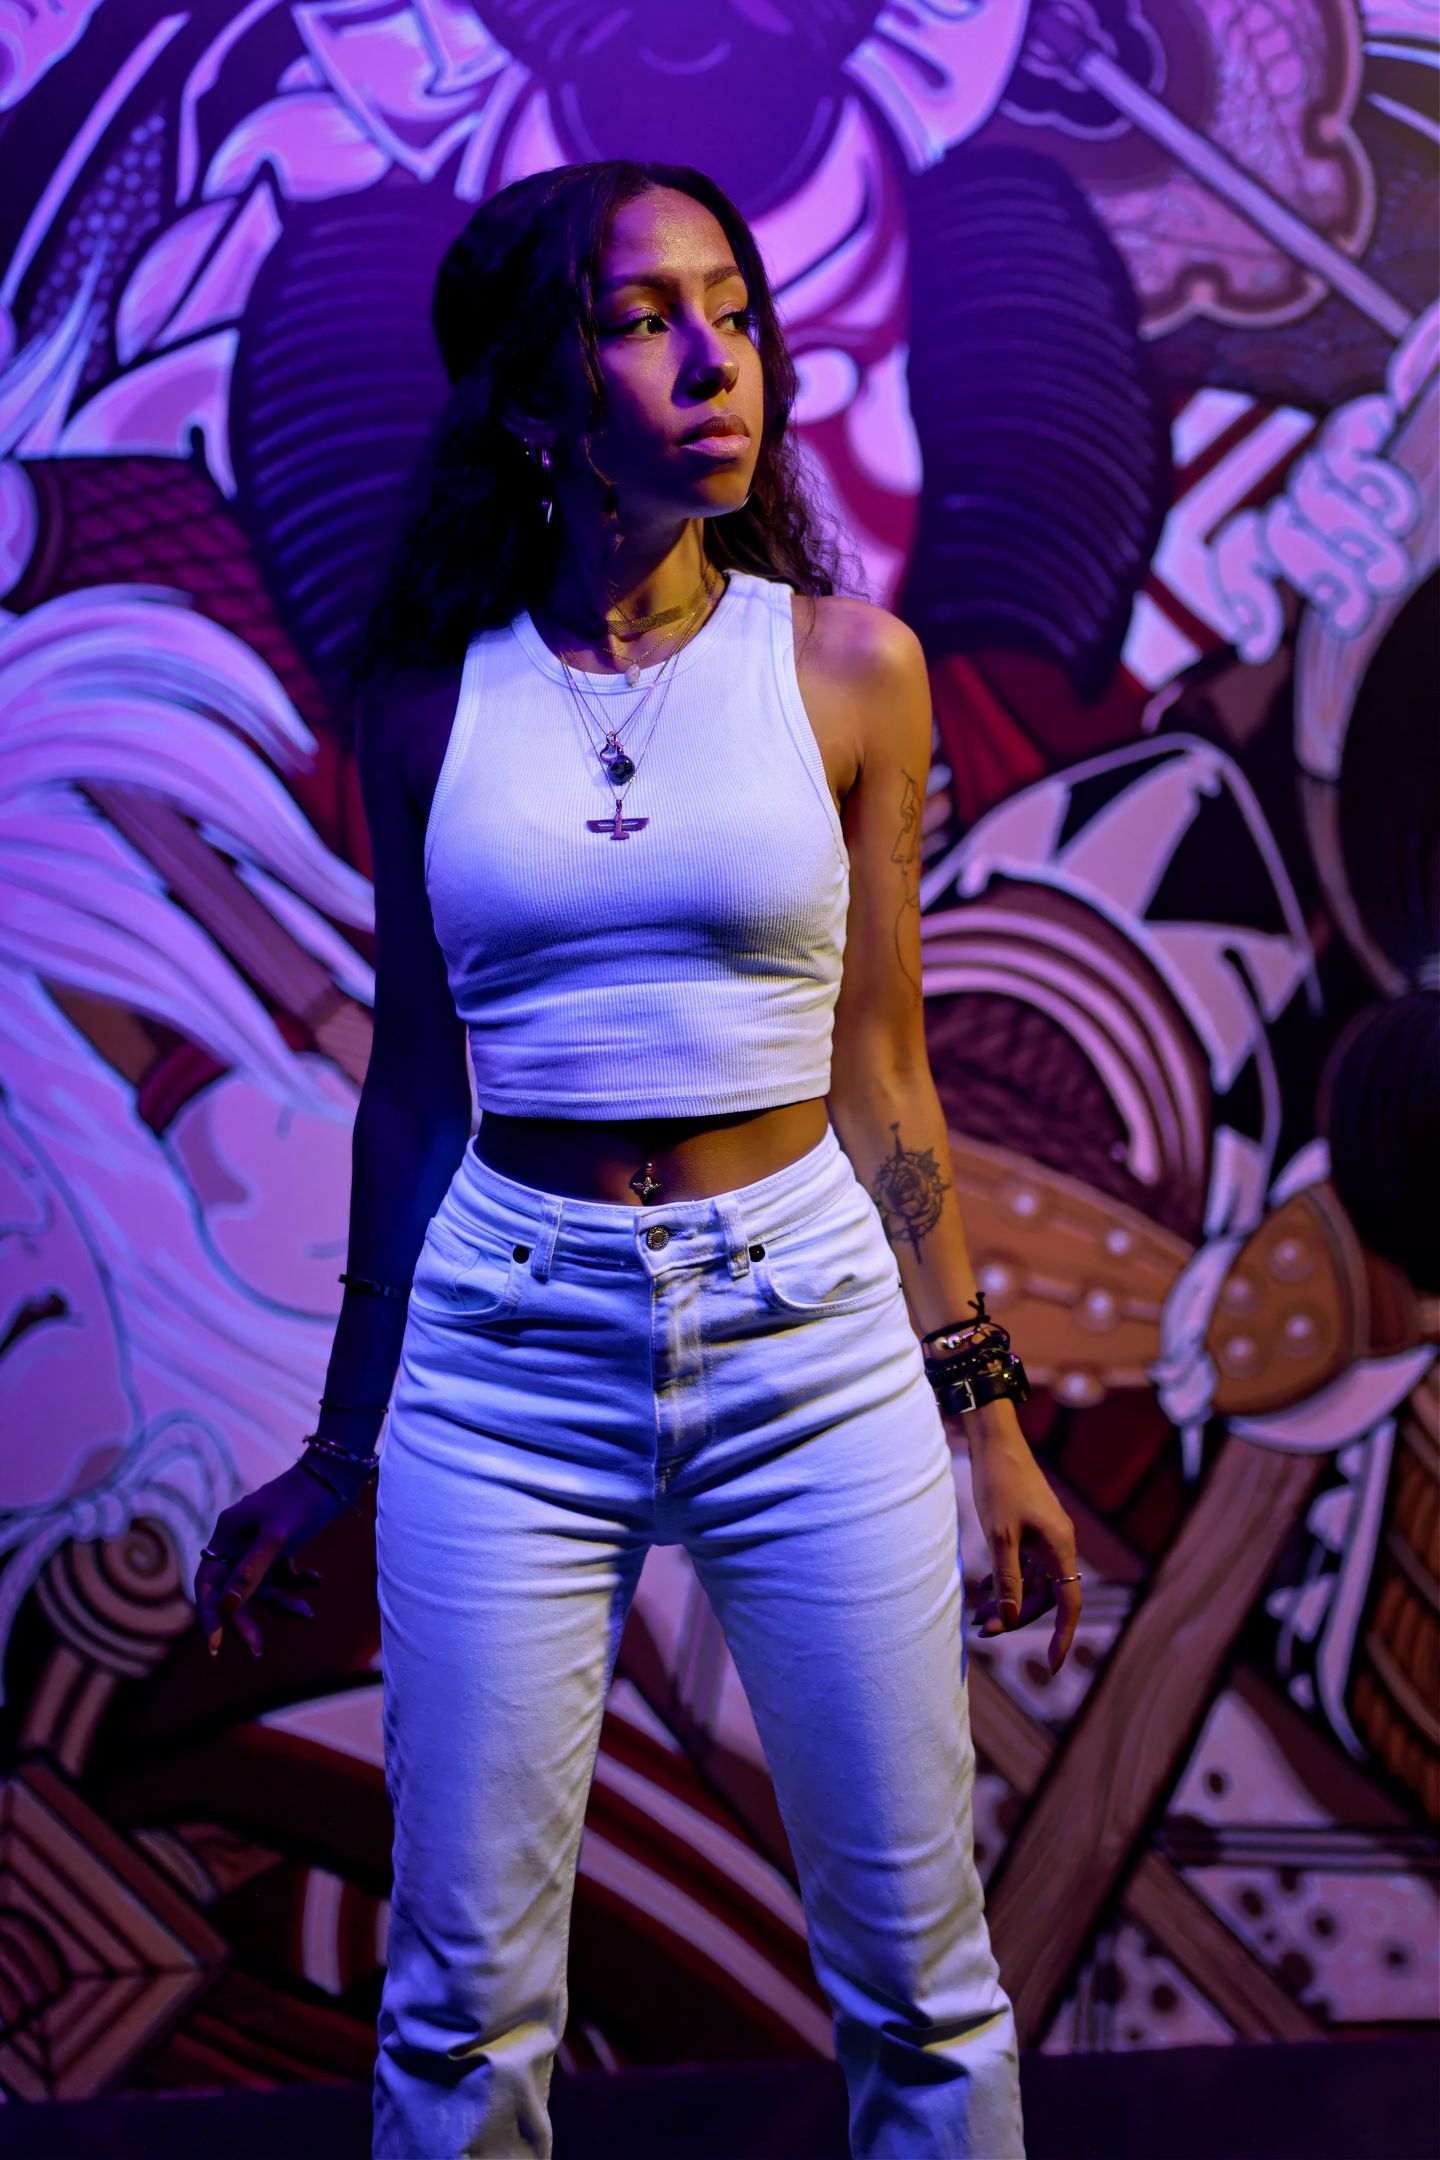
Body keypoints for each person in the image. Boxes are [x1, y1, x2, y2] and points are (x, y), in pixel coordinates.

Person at [194, 159, 1081, 2160]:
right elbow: (413, 1092)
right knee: (461, 2013)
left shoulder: (849, 669)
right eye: (645, 319)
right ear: (534, 398)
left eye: (736, 312)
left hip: (809, 1336)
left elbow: (888, 1075)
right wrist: (339, 1446)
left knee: (925, 1992)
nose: (717, 360)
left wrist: (988, 1420)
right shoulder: (425, 704)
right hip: (508, 1356)